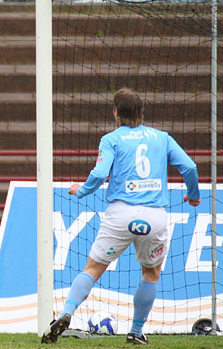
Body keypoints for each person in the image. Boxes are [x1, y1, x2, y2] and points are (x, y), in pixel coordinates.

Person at [41, 87, 201, 345]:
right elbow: (189, 166)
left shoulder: (111, 139)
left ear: (116, 113)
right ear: (142, 112)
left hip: (120, 214)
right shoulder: (162, 138)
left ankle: (66, 313)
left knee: (92, 269)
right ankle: (136, 332)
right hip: (155, 216)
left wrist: (80, 191)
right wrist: (192, 194)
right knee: (151, 273)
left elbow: (99, 173)